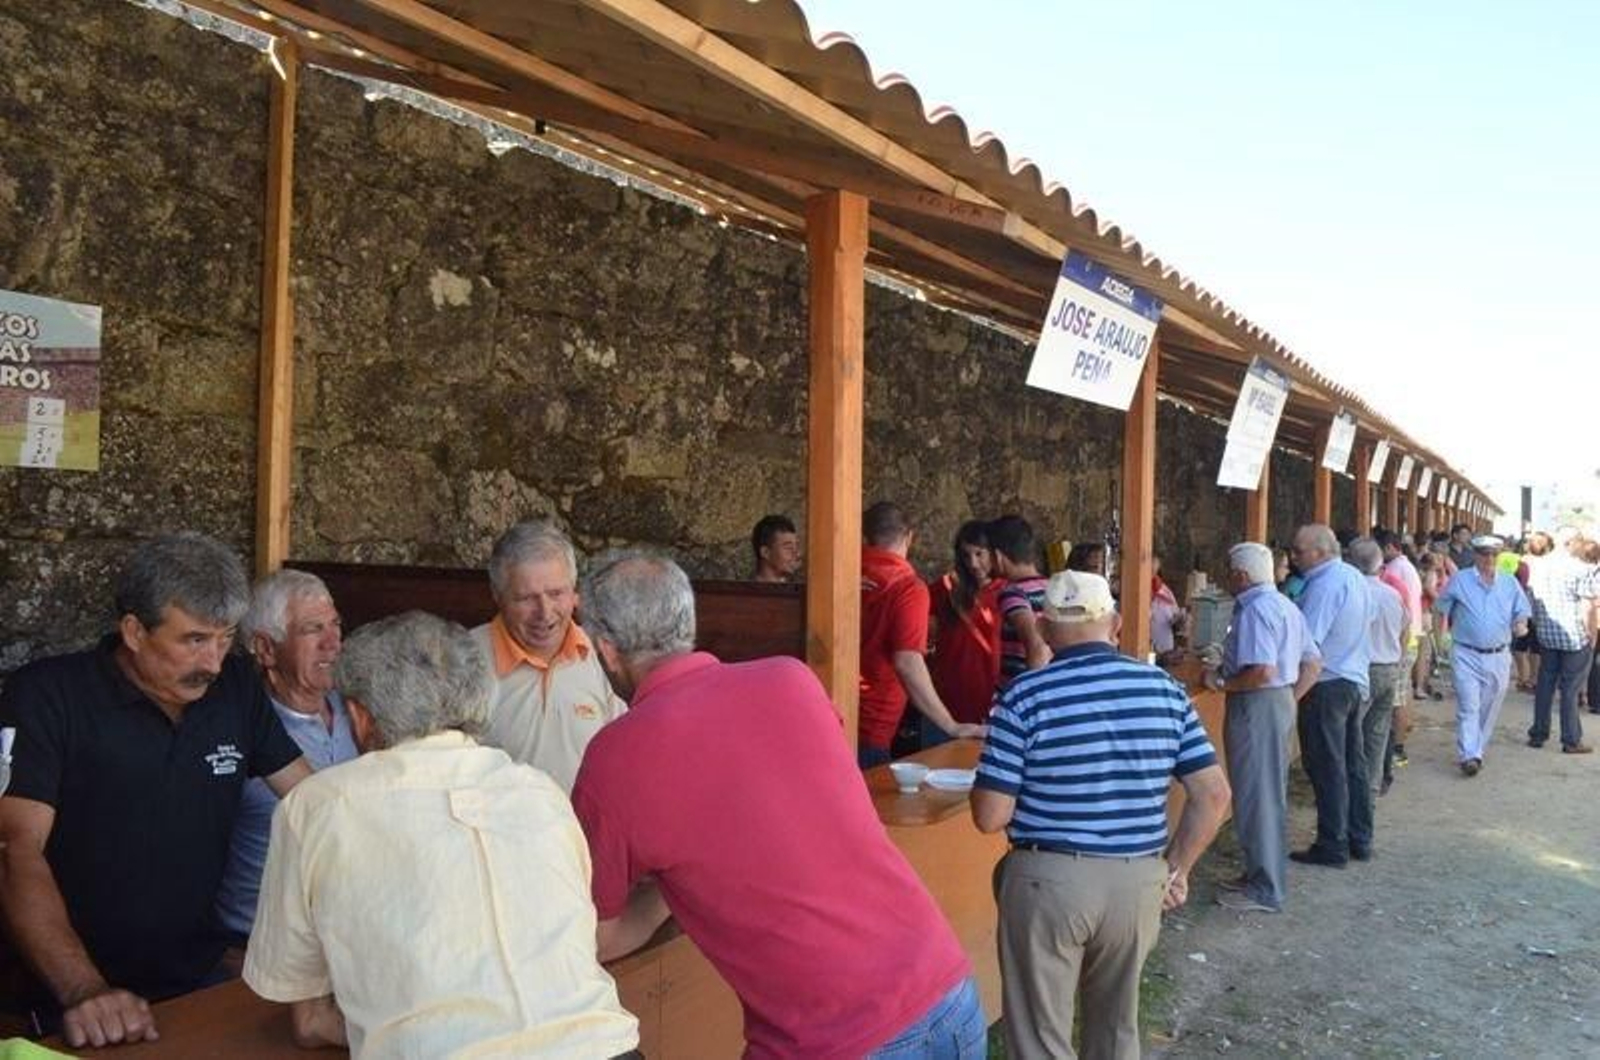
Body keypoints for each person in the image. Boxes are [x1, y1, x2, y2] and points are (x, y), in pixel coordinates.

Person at [571, 552, 987, 1058]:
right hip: (947, 993)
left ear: (607, 650)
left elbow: (597, 936)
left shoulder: (615, 758)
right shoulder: (791, 680)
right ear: (688, 621)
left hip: (834, 1039)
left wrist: (669, 889)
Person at [243, 611, 640, 1058]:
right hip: (607, 1048)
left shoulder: (316, 807)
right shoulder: (538, 790)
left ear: (359, 717)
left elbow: (309, 1020)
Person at [0, 533, 310, 1050]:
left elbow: (313, 800)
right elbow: (14, 850)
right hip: (66, 995)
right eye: (194, 640)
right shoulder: (47, 697)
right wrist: (85, 989)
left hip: (195, 978)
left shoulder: (235, 687)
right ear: (134, 631)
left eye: (225, 637)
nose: (213, 661)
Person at [973, 570, 1230, 1058]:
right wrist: (1176, 870)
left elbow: (989, 816)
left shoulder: (1023, 696)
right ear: (1113, 624)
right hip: (1136, 880)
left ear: (1045, 631)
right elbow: (1213, 795)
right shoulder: (1166, 691)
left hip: (1046, 881)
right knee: (1116, 1029)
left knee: (1040, 1035)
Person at [216, 570, 359, 940]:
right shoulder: (234, 726)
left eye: (336, 625)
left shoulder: (360, 711)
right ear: (265, 648)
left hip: (344, 936)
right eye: (313, 630)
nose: (333, 643)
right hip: (255, 942)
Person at [1206, 543, 1320, 913]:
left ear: (1241, 575)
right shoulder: (1286, 605)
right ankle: (1259, 871)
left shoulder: (1256, 610)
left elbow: (1260, 671)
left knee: (1258, 794)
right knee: (1266, 791)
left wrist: (1223, 684)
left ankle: (1265, 887)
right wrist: (1288, 700)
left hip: (1258, 703)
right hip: (1278, 700)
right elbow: (1314, 662)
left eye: (1230, 572)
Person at [473, 520, 626, 792]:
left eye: (556, 593)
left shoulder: (606, 656)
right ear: (498, 597)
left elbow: (624, 755)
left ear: (575, 592)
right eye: (525, 598)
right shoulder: (463, 661)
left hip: (580, 832)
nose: (544, 612)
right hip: (500, 831)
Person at [857, 502, 985, 766]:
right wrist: (951, 726)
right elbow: (907, 661)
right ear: (909, 537)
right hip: (871, 724)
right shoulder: (907, 587)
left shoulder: (839, 576)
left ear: (864, 536)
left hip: (828, 714)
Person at [1290, 523, 1374, 867]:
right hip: (1351, 678)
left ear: (1321, 552)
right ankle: (1359, 836)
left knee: (1328, 765)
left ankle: (1332, 843)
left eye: (1299, 551)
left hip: (1326, 683)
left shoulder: (1324, 586)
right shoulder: (1353, 578)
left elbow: (1307, 642)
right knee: (1352, 764)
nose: (1294, 558)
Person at [1434, 535, 1533, 775]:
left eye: (1493, 554)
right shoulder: (1460, 580)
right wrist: (1441, 641)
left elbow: (1522, 612)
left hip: (1498, 654)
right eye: (1484, 554)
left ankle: (1475, 747)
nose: (1489, 559)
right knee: (1469, 705)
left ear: (1498, 556)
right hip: (1466, 652)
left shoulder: (1509, 583)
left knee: (1489, 706)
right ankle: (1470, 755)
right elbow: (1440, 608)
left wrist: (1521, 624)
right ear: (1475, 555)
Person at [1349, 538, 1406, 831]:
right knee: (1376, 740)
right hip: (1388, 667)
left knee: (1352, 740)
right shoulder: (1391, 594)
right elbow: (1404, 629)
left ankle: (1351, 810)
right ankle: (1367, 807)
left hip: (1363, 669)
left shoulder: (1355, 594)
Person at [928, 520, 1003, 731]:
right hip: (945, 700)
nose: (973, 563)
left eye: (980, 554)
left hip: (989, 700)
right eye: (966, 555)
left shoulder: (1008, 592)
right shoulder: (947, 587)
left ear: (994, 553)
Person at [1526, 532, 1597, 753]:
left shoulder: (1540, 568)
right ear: (1574, 545)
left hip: (1547, 635)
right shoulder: (1581, 569)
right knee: (1570, 689)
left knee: (1545, 685)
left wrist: (1539, 627)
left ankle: (1538, 733)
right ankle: (1571, 739)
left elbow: (1533, 601)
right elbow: (1587, 608)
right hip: (1575, 637)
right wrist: (1592, 635)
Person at [1377, 530, 1424, 787]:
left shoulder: (1394, 572)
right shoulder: (1407, 568)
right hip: (1411, 636)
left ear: (1391, 548)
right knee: (1402, 694)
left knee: (1396, 698)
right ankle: (1400, 742)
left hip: (1402, 641)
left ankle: (1397, 746)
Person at [989, 514, 1051, 687]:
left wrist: (1032, 695)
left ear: (998, 557)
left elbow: (1037, 645)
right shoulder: (1053, 587)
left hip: (1022, 693)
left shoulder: (1013, 593)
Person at [1150, 554, 1186, 656]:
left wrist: (1180, 621)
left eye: (1153, 571)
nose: (1150, 574)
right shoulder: (1133, 592)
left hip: (1164, 652)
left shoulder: (1165, 592)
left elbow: (1175, 621)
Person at [749, 513, 801, 583]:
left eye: (797, 546)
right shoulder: (743, 592)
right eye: (789, 548)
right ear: (765, 552)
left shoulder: (800, 590)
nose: (797, 554)